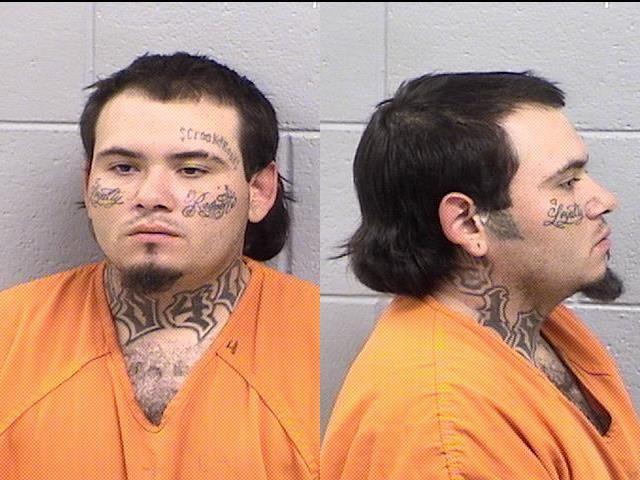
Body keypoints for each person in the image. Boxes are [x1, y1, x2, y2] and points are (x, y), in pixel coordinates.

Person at [0, 52, 319, 480]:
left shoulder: (318, 342)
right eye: (124, 167)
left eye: (191, 169)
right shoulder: (9, 333)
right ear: (88, 183)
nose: (151, 196)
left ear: (259, 192)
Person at [321, 72, 640, 479]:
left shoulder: (536, 319)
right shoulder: (447, 434)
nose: (604, 200)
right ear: (469, 223)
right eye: (567, 182)